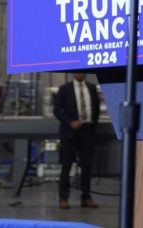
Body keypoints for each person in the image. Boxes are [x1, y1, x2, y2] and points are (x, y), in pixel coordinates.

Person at [54, 72, 100, 209]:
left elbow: (95, 108)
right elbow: (57, 111)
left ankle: (86, 197)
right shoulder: (64, 89)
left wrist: (93, 125)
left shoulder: (91, 88)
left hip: (87, 131)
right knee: (67, 165)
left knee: (87, 166)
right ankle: (63, 198)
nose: (81, 73)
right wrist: (70, 123)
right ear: (74, 73)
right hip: (70, 132)